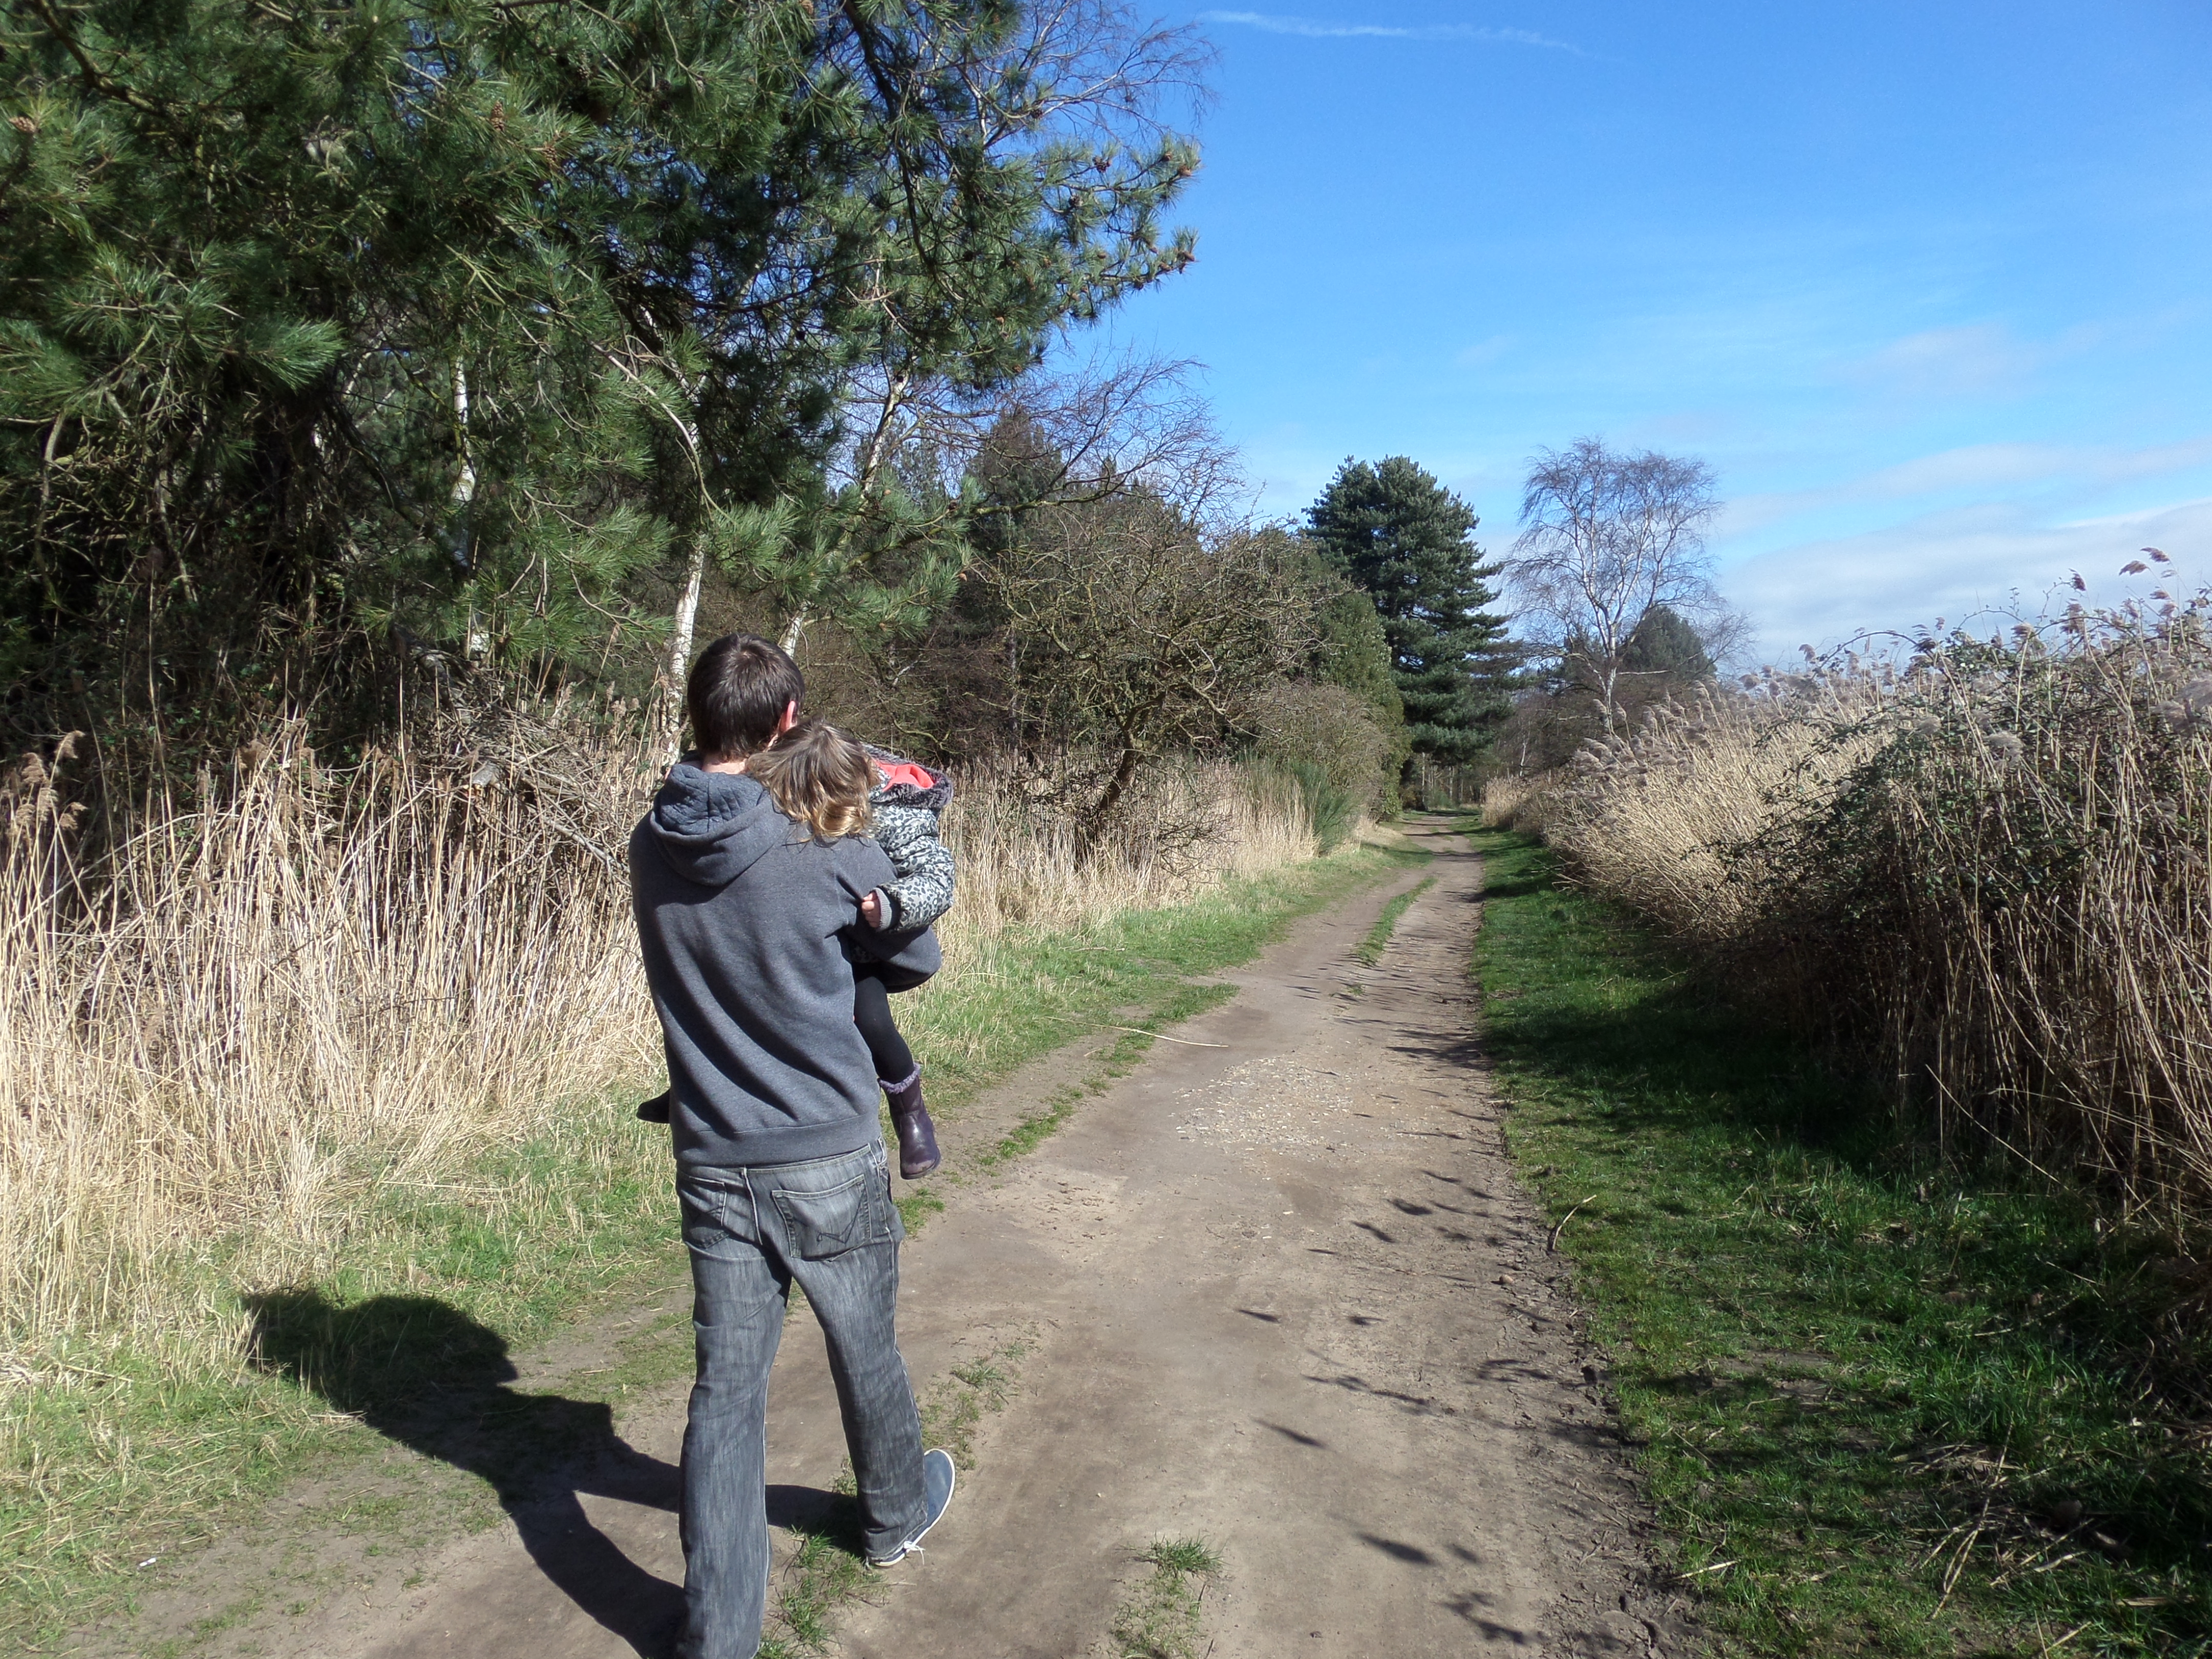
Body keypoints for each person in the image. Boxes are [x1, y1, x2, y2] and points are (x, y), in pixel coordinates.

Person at [630, 633, 955, 1659]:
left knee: (725, 1395)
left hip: (711, 1151)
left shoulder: (650, 842)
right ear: (784, 723)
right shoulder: (815, 841)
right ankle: (894, 1516)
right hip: (823, 1148)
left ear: (697, 716)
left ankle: (719, 1633)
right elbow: (916, 955)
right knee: (864, 1345)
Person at [755, 727, 953, 1178]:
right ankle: (697, 1087)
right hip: (800, 935)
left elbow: (937, 878)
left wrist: (893, 903)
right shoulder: (777, 789)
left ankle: (910, 1112)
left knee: (873, 1021)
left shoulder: (896, 813)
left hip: (860, 947)